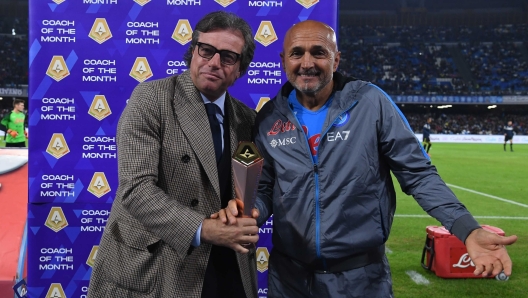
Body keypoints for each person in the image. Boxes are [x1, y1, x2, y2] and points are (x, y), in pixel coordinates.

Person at [216, 20, 517, 297]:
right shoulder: (268, 118)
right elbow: (264, 187)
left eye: (318, 52)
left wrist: (467, 229)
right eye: (297, 53)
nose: (307, 63)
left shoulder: (370, 103)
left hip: (361, 280)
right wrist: (251, 211)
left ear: (336, 59)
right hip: (289, 279)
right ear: (283, 61)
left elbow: (419, 175)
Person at [88, 11, 260, 298]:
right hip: (158, 264)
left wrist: (246, 211)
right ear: (193, 52)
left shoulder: (248, 119)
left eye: (228, 57)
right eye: (206, 50)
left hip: (226, 266)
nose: (214, 63)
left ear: (240, 69)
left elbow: (251, 188)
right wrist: (204, 229)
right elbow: (136, 189)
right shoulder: (150, 98)